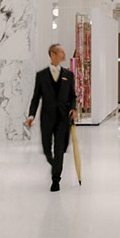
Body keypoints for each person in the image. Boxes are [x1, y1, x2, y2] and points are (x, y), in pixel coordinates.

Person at [25, 43, 78, 191]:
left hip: (63, 118)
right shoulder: (41, 76)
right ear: (53, 55)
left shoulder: (68, 75)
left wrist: (73, 108)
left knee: (60, 148)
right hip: (47, 118)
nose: (64, 54)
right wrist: (31, 115)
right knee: (47, 150)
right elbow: (36, 98)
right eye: (61, 51)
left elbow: (72, 96)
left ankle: (56, 180)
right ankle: (55, 165)